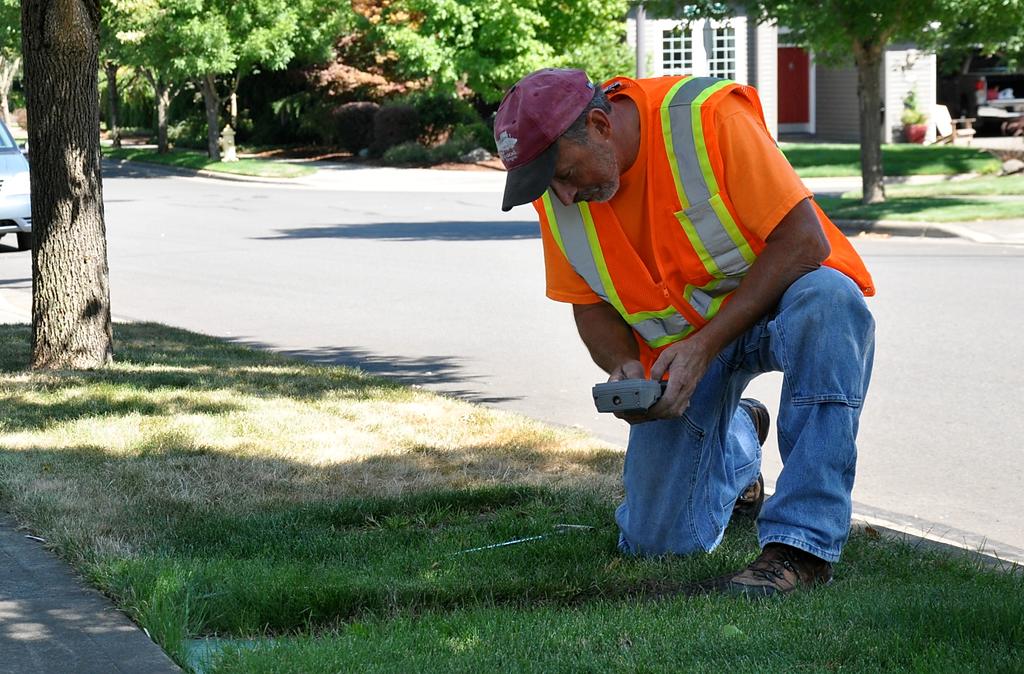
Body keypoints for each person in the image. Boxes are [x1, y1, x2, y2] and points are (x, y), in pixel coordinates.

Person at [493, 68, 876, 597]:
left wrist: (704, 344)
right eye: (545, 183)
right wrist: (623, 366)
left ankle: (800, 547)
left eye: (560, 173)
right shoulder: (558, 196)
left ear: (601, 125)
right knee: (656, 544)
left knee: (832, 302)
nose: (560, 194)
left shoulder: (707, 118)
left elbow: (804, 242)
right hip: (685, 354)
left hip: (773, 311)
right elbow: (589, 306)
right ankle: (740, 440)